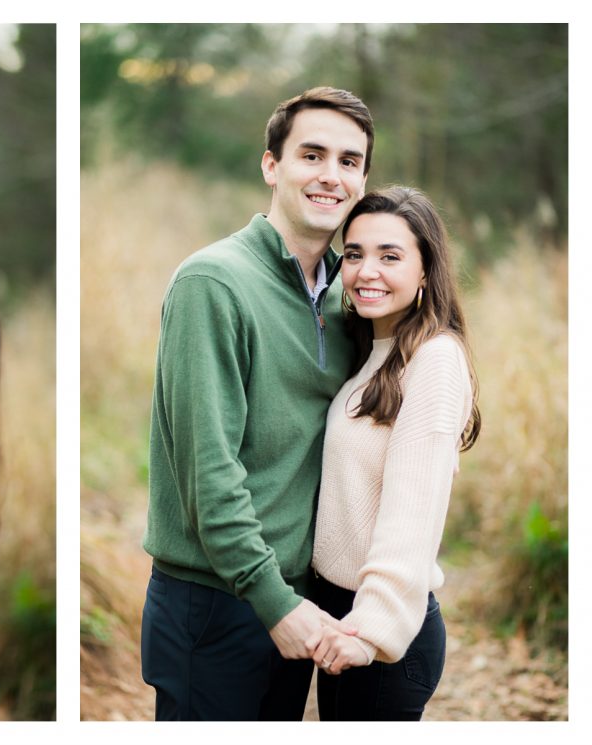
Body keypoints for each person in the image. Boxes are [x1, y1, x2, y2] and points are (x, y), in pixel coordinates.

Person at [141, 87, 373, 720]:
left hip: (297, 600)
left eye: (349, 161)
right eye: (313, 155)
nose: (331, 175)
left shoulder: (347, 300)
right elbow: (209, 472)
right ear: (272, 166)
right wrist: (273, 600)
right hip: (216, 601)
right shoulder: (213, 282)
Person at [307, 186, 480, 720]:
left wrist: (372, 629)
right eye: (354, 254)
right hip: (341, 614)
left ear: (426, 270)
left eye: (390, 256)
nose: (366, 271)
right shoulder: (373, 352)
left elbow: (413, 510)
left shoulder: (434, 361)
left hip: (382, 635)